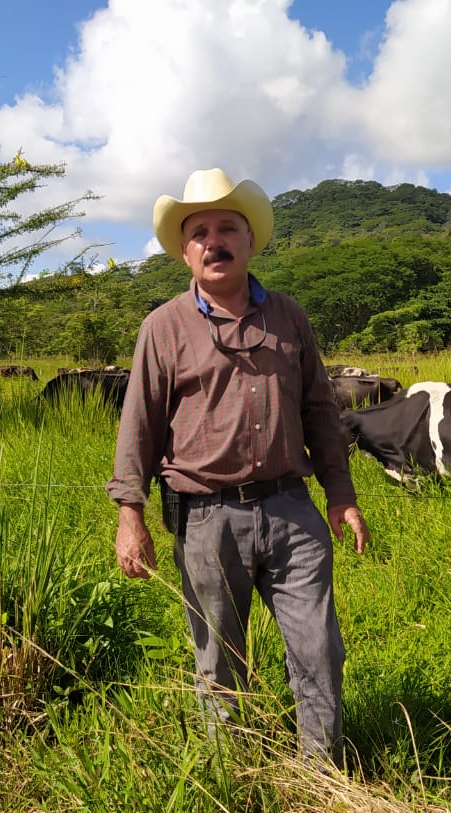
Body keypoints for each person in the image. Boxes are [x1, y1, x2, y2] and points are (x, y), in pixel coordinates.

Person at [107, 168, 370, 765]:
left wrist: (341, 495)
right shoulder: (163, 327)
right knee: (220, 659)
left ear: (251, 242)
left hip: (291, 510)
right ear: (184, 251)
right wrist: (131, 515)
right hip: (205, 518)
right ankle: (235, 778)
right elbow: (139, 426)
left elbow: (321, 410)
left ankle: (319, 775)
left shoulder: (288, 317)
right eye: (199, 231)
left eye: (228, 227)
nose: (214, 240)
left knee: (319, 649)